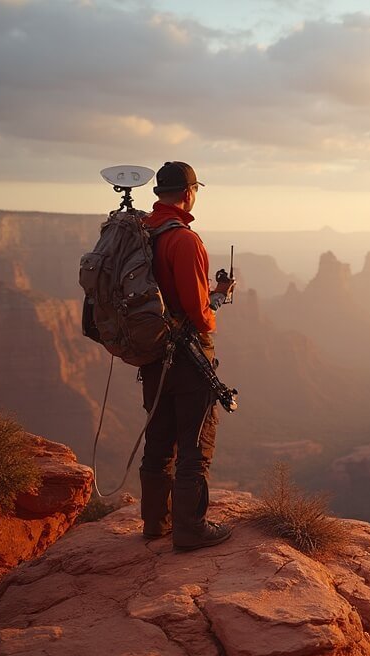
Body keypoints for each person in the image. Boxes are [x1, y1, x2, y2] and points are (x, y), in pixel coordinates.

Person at [139, 161, 235, 551]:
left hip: (152, 351)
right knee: (195, 443)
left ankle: (154, 523)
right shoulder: (185, 240)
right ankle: (190, 529)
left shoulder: (143, 230)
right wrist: (216, 303)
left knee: (159, 437)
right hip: (188, 354)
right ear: (189, 193)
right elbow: (199, 314)